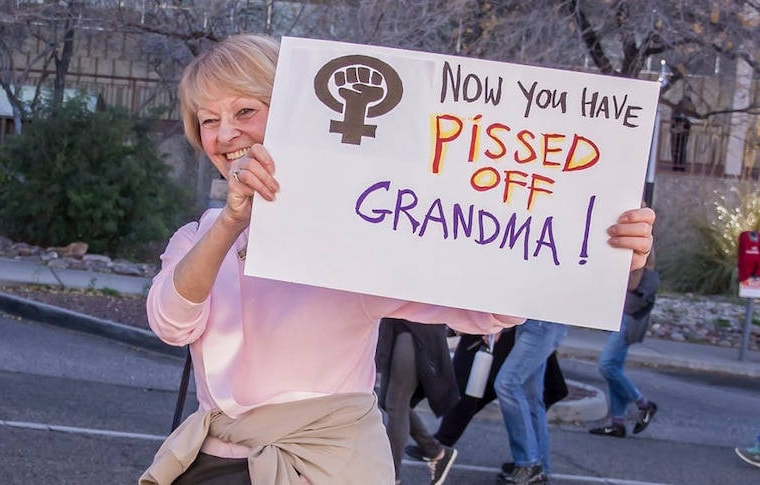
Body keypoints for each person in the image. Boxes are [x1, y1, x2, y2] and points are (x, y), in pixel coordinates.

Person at [138, 33, 656, 485]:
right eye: (209, 120)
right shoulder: (198, 237)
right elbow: (170, 322)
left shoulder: (352, 233)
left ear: (297, 113)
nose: (225, 134)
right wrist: (230, 223)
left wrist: (609, 260)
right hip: (215, 465)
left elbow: (484, 309)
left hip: (327, 471)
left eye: (245, 111)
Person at [404, 328, 568, 469]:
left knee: (504, 388)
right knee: (515, 391)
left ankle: (531, 463)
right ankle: (534, 464)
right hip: (506, 325)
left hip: (503, 325)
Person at [376, 318, 459, 485]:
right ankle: (436, 452)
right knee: (387, 400)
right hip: (396, 322)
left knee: (395, 404)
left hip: (416, 325)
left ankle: (392, 478)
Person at [589, 248, 660, 439]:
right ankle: (617, 422)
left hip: (629, 316)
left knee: (607, 366)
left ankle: (644, 404)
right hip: (631, 314)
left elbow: (633, 282)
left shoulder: (640, 244)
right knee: (615, 368)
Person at [494, 320, 569, 485]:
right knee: (531, 397)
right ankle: (539, 466)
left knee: (507, 384)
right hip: (536, 323)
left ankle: (530, 463)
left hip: (542, 324)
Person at [670, 95, 695, 171]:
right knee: (675, 148)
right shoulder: (677, 108)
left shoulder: (690, 109)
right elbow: (673, 117)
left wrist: (684, 124)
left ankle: (681, 165)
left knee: (682, 148)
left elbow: (692, 119)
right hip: (676, 130)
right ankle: (675, 165)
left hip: (684, 131)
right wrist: (676, 125)